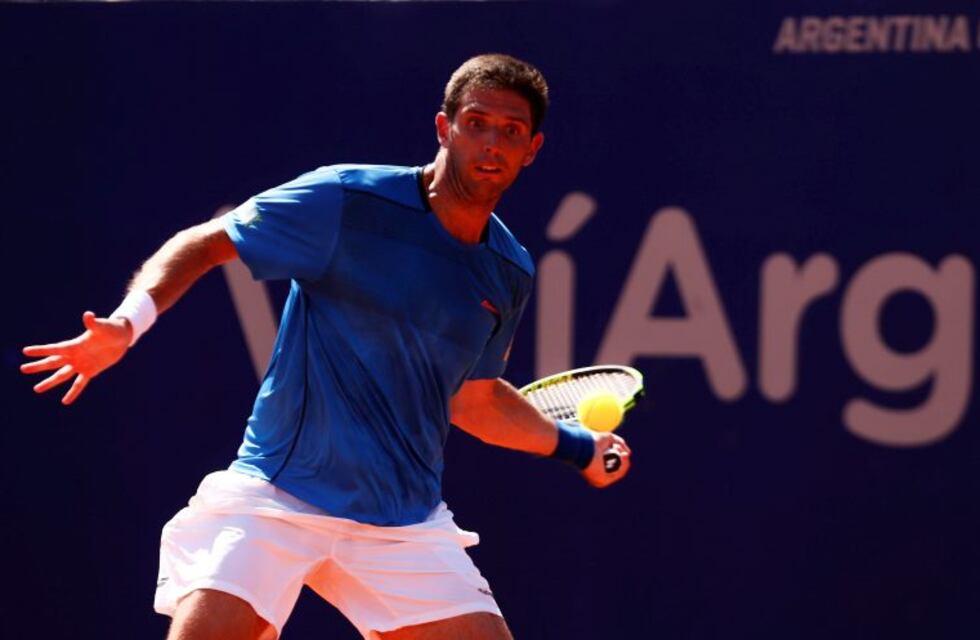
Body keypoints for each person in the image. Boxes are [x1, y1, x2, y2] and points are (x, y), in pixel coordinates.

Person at [21, 53, 631, 640]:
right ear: (445, 128)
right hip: (277, 497)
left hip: (404, 525)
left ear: (532, 150)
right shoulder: (347, 201)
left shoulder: (509, 271)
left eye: (510, 131)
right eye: (476, 124)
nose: (491, 144)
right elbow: (205, 242)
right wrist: (128, 324)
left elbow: (472, 402)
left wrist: (580, 449)